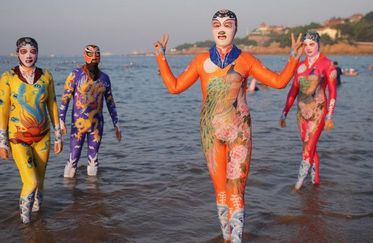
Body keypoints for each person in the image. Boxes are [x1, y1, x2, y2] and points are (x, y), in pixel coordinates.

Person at [154, 9, 303, 243]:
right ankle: (226, 237)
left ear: (235, 29)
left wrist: (294, 57)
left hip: (239, 132)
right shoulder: (200, 61)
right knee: (220, 191)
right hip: (210, 134)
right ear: (212, 29)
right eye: (216, 24)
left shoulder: (246, 59)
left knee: (236, 192)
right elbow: (174, 87)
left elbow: (279, 82)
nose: (221, 28)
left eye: (227, 24)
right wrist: (161, 58)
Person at [0, 37, 62, 223]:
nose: (28, 55)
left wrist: (58, 135)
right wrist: (2, 142)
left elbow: (52, 105)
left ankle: (38, 219)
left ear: (37, 53)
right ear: (17, 53)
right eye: (24, 51)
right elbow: (2, 110)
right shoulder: (8, 77)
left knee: (40, 181)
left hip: (43, 137)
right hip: (18, 138)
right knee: (31, 181)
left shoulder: (46, 76)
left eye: (32, 51)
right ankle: (26, 223)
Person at [279, 31, 337, 192]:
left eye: (312, 44)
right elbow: (293, 90)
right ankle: (315, 181)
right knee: (309, 146)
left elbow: (333, 92)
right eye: (305, 45)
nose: (308, 48)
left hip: (318, 112)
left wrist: (330, 115)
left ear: (318, 44)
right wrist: (285, 112)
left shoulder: (327, 64)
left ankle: (298, 185)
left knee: (307, 148)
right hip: (301, 114)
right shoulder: (300, 66)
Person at [60, 44, 121, 178]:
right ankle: (68, 192)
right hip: (78, 126)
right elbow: (65, 99)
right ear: (84, 56)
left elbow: (110, 102)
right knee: (73, 158)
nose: (94, 57)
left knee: (93, 160)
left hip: (97, 126)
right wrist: (61, 121)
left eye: (97, 54)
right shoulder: (75, 75)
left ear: (100, 57)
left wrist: (116, 124)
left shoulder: (104, 78)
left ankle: (93, 194)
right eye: (90, 54)